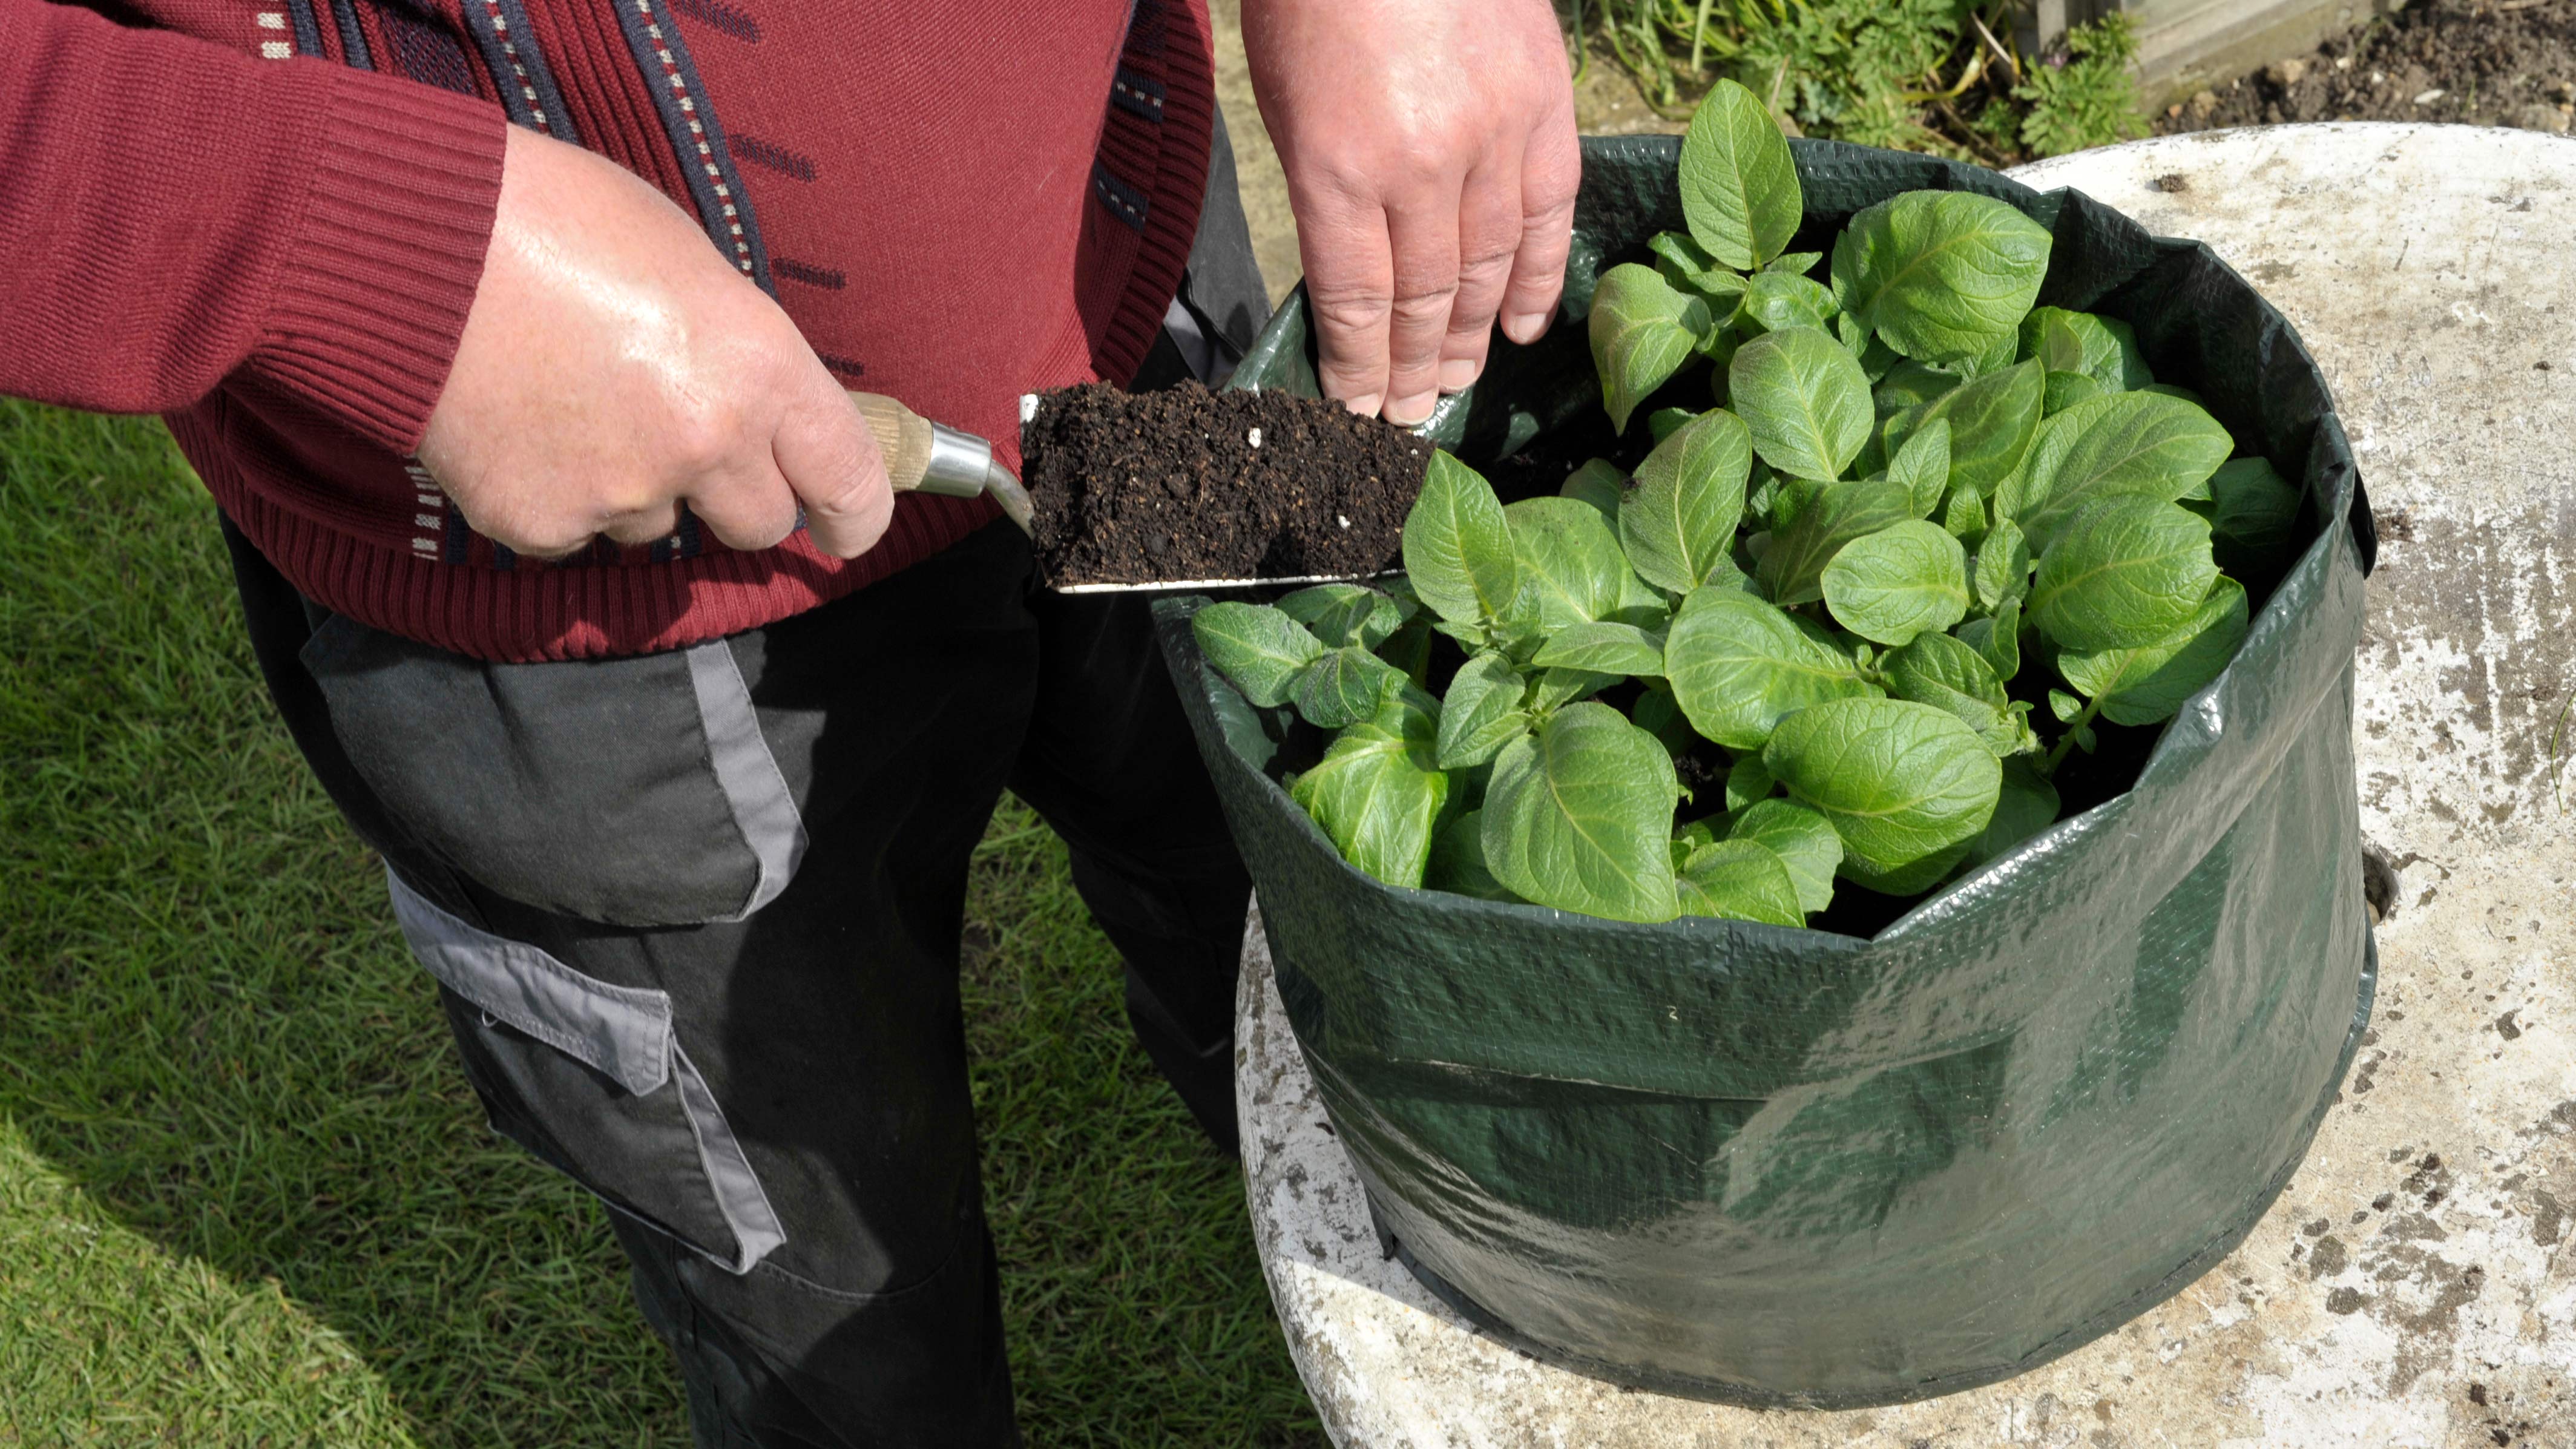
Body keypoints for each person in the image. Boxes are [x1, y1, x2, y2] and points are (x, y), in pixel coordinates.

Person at [0, 0, 1577, 1439]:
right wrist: (349, 253)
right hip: (594, 597)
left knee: (1264, 893)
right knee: (824, 1271)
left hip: (1124, 281)